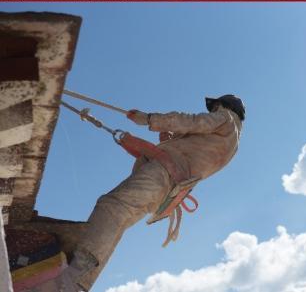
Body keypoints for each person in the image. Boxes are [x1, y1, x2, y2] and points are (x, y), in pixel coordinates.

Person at [53, 95, 245, 291]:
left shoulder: (226, 118)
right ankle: (77, 283)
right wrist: (169, 139)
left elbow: (192, 121)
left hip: (162, 175)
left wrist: (149, 119)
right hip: (169, 190)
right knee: (118, 221)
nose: (213, 110)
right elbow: (192, 150)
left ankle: (72, 277)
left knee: (111, 209)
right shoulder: (231, 141)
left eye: (215, 107)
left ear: (225, 106)